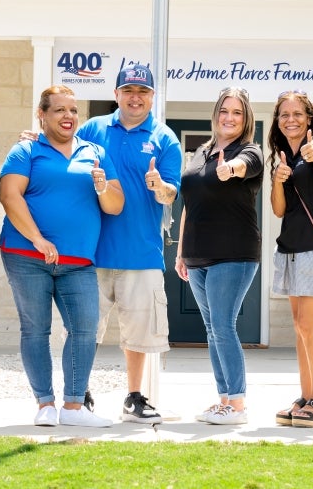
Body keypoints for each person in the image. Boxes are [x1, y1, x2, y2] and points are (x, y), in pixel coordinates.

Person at [0, 85, 125, 428]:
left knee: (84, 329)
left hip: (78, 262)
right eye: (59, 110)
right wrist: (37, 238)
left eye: (73, 110)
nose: (68, 116)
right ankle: (44, 405)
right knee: (36, 330)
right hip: (26, 255)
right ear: (42, 114)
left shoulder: (95, 152)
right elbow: (10, 197)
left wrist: (102, 186)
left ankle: (73, 407)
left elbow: (115, 205)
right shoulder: (26, 150)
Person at [76, 64, 181, 425]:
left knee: (138, 334)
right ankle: (79, 392)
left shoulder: (165, 138)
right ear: (117, 93)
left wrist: (159, 186)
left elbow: (171, 194)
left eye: (143, 91)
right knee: (84, 328)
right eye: (129, 90)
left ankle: (134, 397)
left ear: (153, 96)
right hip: (91, 250)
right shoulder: (93, 128)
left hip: (141, 252)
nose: (135, 97)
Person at [175, 87, 263, 426]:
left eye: (237, 112)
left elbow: (246, 166)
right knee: (212, 329)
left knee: (223, 326)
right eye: (224, 111)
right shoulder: (202, 151)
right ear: (216, 114)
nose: (229, 117)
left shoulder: (249, 150)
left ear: (246, 119)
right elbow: (188, 204)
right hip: (197, 256)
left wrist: (232, 169)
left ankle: (238, 405)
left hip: (233, 254)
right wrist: (181, 251)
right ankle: (224, 399)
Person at [266, 91, 313, 428]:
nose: (291, 119)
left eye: (297, 113)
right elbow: (279, 209)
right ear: (278, 120)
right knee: (299, 329)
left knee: (309, 327)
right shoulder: (282, 155)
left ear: (309, 117)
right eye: (284, 114)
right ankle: (305, 396)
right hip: (291, 249)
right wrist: (278, 180)